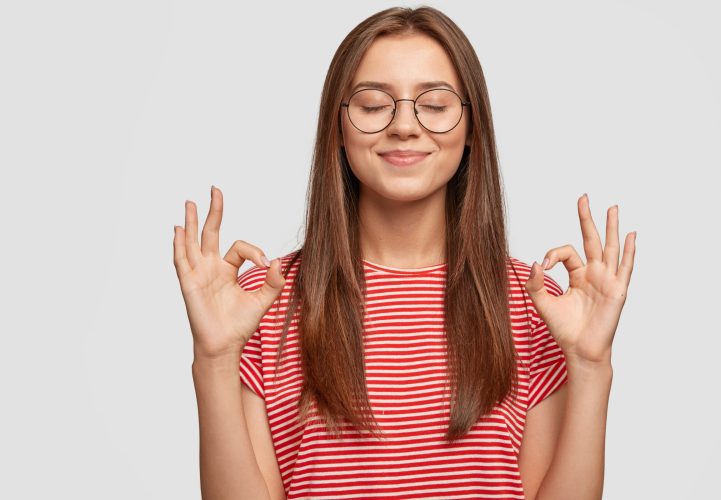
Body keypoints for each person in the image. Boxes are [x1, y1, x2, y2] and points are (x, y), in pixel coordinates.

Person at [173, 5, 636, 500]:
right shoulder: (263, 303)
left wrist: (591, 366)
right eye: (374, 105)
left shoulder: (532, 304)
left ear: (472, 127)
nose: (405, 126)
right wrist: (215, 359)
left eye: (435, 104)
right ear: (339, 128)